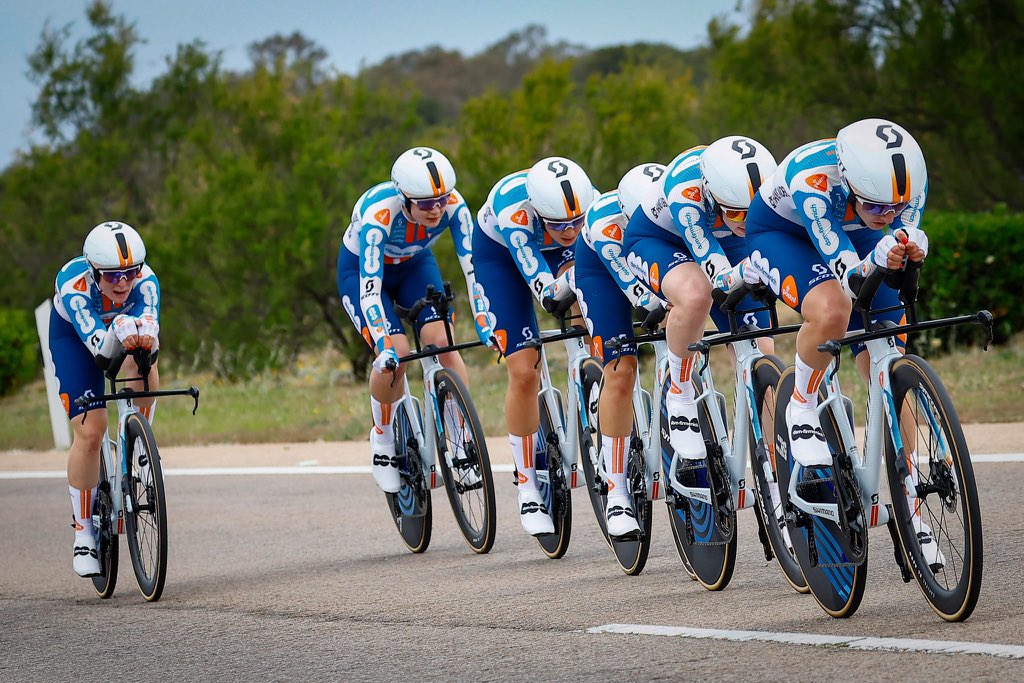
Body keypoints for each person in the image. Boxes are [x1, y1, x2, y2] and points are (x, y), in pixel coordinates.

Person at [744, 118, 940, 566]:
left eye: (896, 206)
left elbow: (894, 232)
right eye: (877, 205)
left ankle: (909, 501)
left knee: (890, 349)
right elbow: (849, 274)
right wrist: (877, 253)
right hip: (784, 233)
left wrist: (905, 244)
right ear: (849, 180)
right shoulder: (814, 181)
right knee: (834, 310)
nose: (888, 214)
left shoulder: (906, 182)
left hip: (855, 230)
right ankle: (801, 403)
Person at [337, 147, 487, 493]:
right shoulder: (379, 217)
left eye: (441, 199)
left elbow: (473, 272)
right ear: (403, 197)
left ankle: (460, 436)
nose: (435, 208)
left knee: (442, 340)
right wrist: (385, 346)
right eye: (424, 203)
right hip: (362, 275)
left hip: (414, 266)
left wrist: (485, 323)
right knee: (398, 355)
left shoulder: (454, 207)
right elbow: (371, 293)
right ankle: (383, 440)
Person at [621, 138, 778, 463]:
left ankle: (778, 465)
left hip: (724, 238)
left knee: (762, 348)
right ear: (711, 192)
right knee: (695, 295)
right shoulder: (687, 191)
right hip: (659, 240)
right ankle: (679, 390)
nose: (746, 220)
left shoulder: (762, 190)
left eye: (754, 211)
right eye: (736, 211)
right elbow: (718, 277)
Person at [473, 156, 596, 536]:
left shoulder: (580, 207)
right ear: (541, 212)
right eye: (561, 224)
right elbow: (540, 283)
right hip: (503, 258)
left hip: (554, 253)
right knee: (525, 370)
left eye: (578, 222)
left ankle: (594, 393)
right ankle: (526, 483)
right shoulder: (515, 213)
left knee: (593, 315)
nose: (571, 230)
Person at [49, 221, 160, 577]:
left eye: (130, 272)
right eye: (112, 276)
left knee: (144, 360)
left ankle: (138, 452)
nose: (123, 283)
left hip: (115, 331)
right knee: (92, 431)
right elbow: (100, 351)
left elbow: (151, 339)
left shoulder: (147, 281)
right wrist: (120, 332)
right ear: (94, 271)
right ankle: (84, 531)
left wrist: (143, 339)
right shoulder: (75, 287)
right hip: (76, 340)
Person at [570, 163, 669, 538]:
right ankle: (616, 490)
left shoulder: (672, 210)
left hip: (658, 255)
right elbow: (639, 296)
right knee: (622, 369)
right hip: (603, 271)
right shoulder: (605, 225)